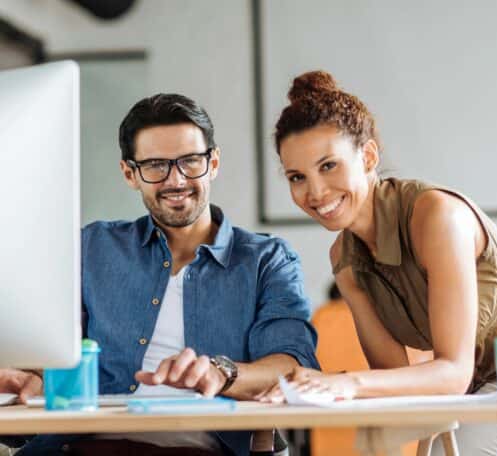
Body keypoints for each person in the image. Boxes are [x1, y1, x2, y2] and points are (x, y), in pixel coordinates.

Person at [261, 70, 497, 456]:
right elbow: (393, 382)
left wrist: (348, 384)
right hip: (483, 382)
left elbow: (452, 371)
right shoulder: (345, 261)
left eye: (328, 166)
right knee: (378, 440)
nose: (315, 192)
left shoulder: (436, 217)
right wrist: (314, 388)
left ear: (368, 156)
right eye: (297, 177)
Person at [0, 93, 318, 456]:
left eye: (190, 162)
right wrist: (29, 376)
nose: (176, 180)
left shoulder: (266, 260)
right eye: (155, 165)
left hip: (200, 448)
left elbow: (293, 365)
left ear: (213, 163)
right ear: (129, 173)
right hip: (79, 445)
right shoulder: (92, 247)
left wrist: (222, 372)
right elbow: (52, 352)